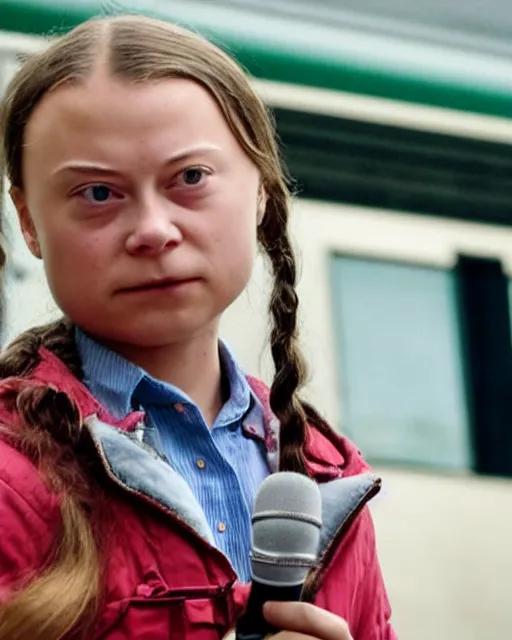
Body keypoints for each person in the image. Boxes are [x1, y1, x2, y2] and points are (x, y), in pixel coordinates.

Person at [0, 14, 396, 640]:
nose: (154, 230)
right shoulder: (9, 476)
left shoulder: (327, 476)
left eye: (190, 178)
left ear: (261, 191)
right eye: (98, 193)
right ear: (28, 222)